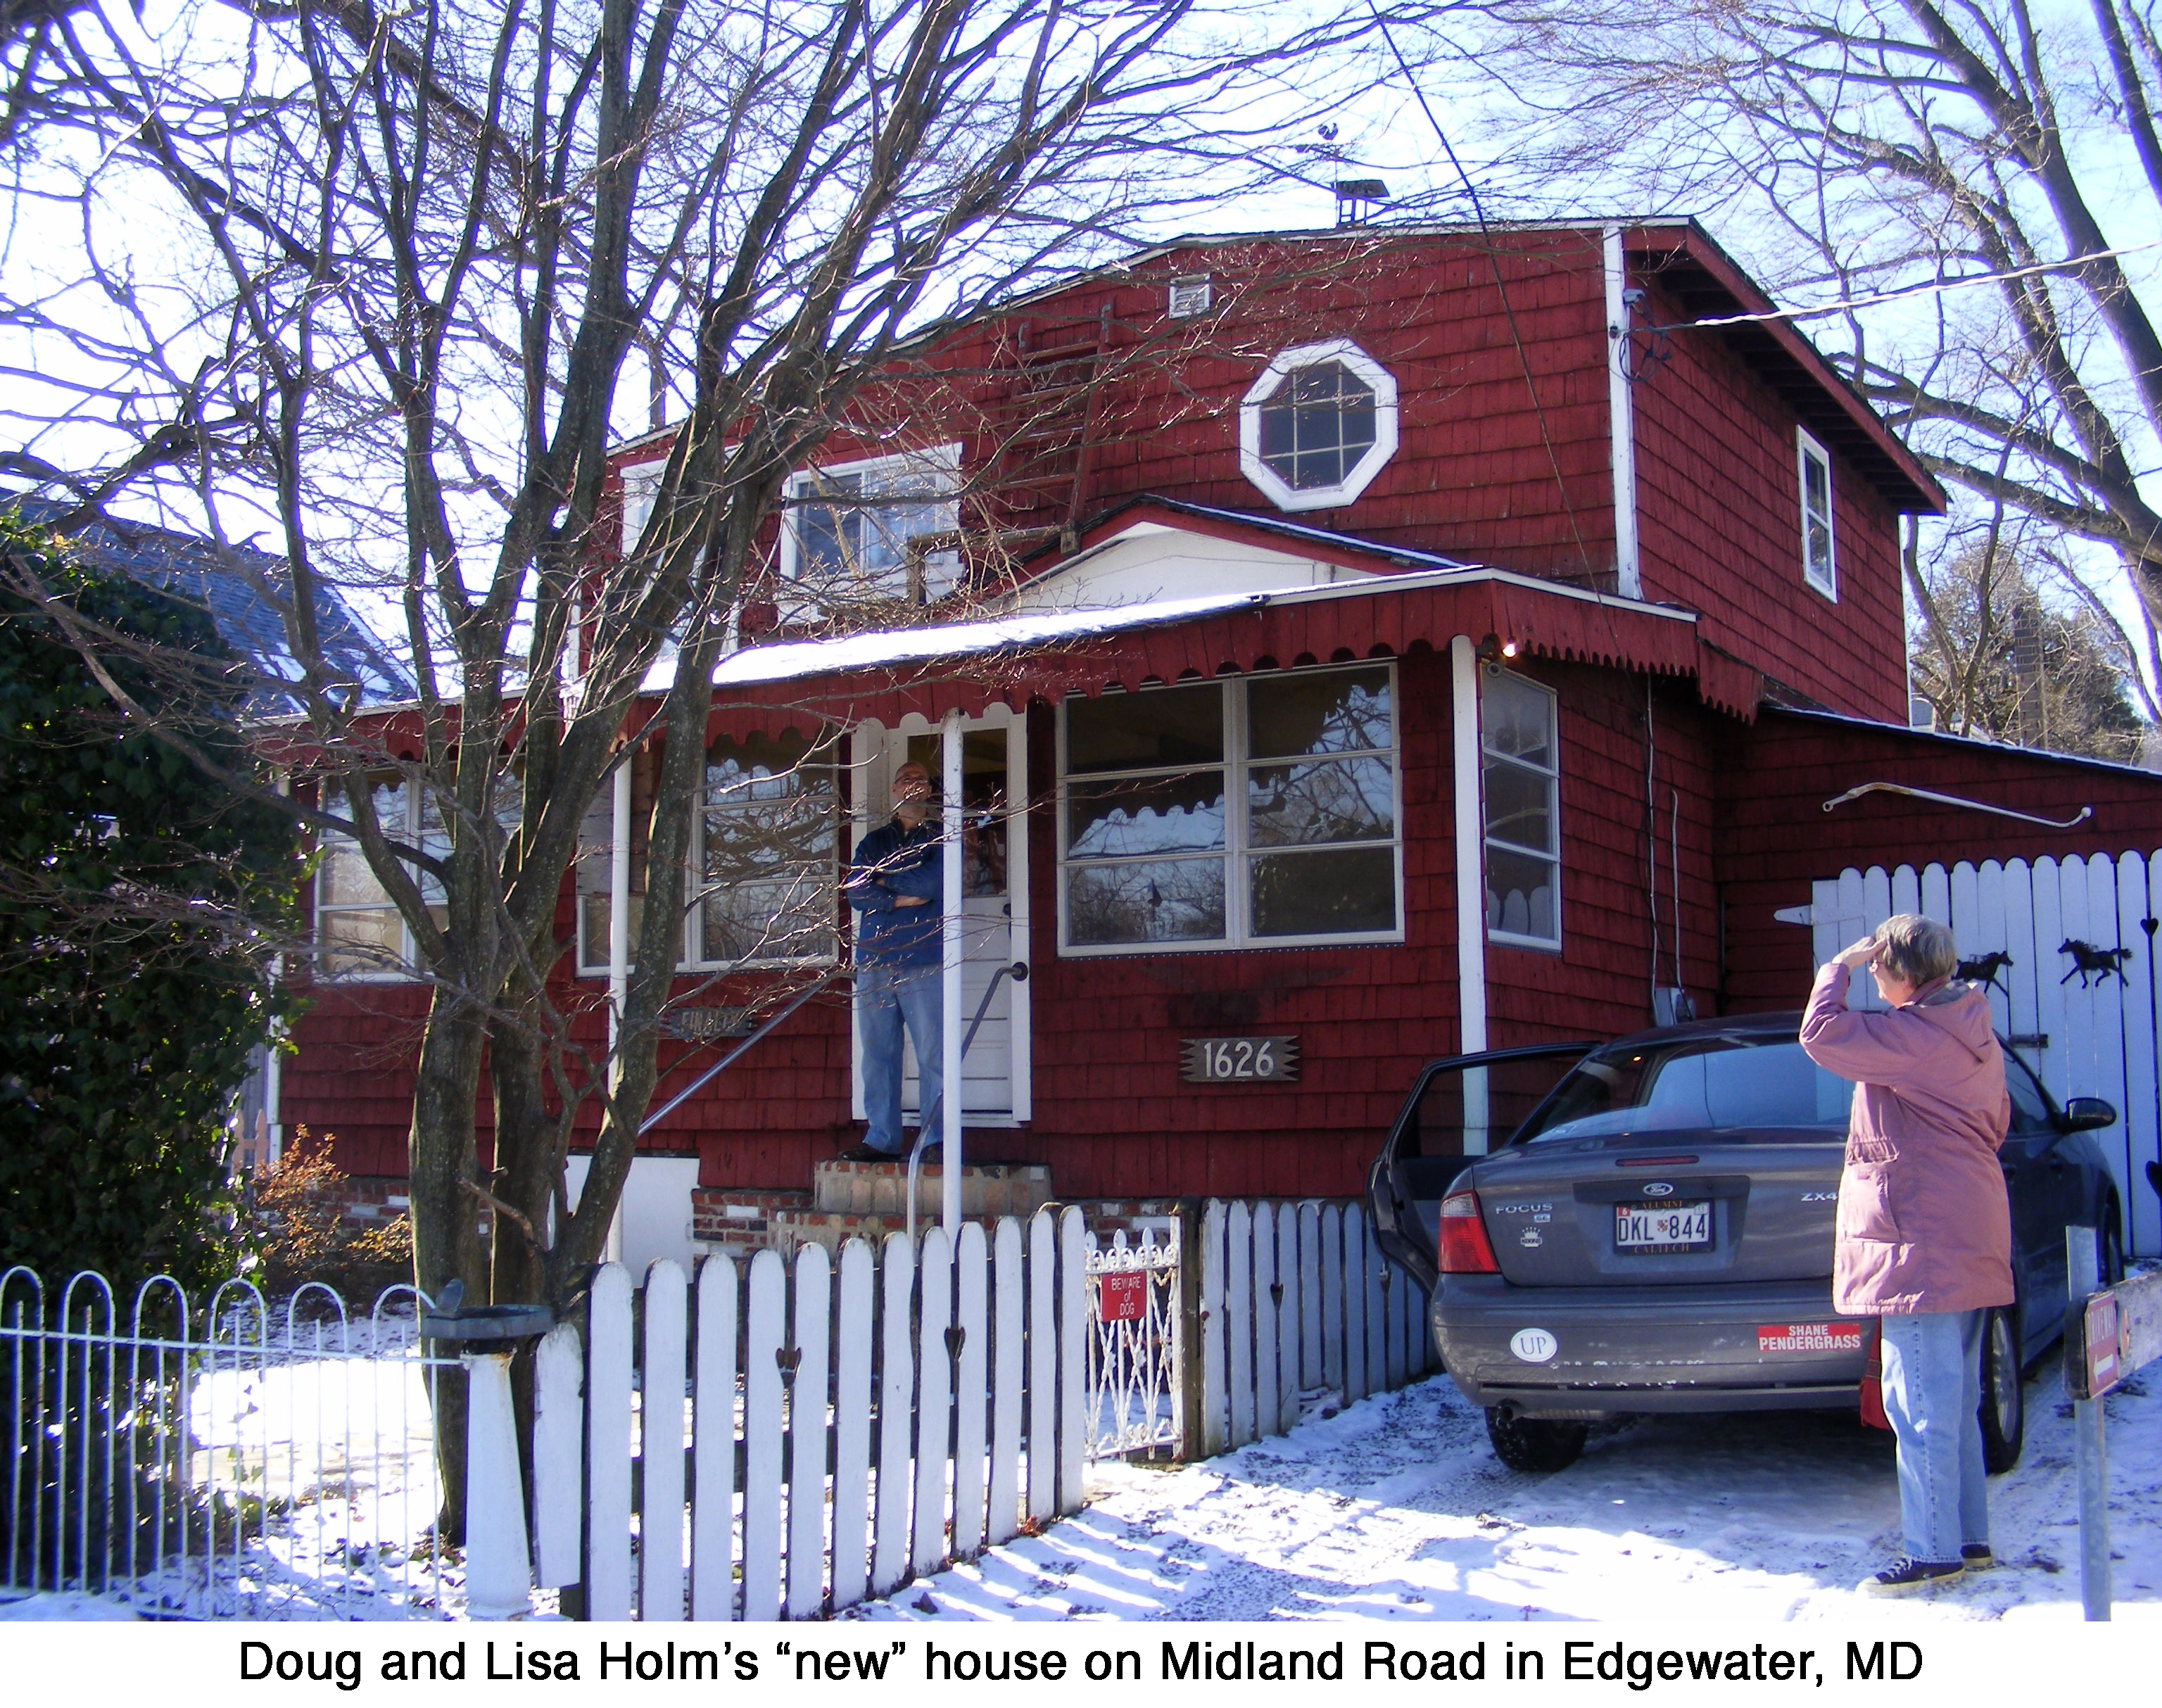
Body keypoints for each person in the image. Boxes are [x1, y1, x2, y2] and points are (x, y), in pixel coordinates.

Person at [1799, 913, 2014, 1596]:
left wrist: (1839, 966)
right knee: (1954, 1399)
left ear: (1899, 971)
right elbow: (2000, 1122)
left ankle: (1930, 1552)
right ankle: (1968, 1538)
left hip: (1920, 1236)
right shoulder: (1972, 1029)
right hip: (1971, 1226)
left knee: (1917, 1400)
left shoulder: (1914, 1035)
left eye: (1880, 965)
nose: (1875, 976)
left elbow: (1820, 1035)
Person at [840, 760, 944, 1163]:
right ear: (895, 789)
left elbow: (932, 884)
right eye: (906, 779)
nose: (913, 786)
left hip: (923, 958)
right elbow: (856, 893)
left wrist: (883, 886)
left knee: (932, 1053)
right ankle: (881, 1139)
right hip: (875, 961)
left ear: (930, 789)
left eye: (920, 780)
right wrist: (897, 895)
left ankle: (935, 1141)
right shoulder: (873, 843)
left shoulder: (940, 839)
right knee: (878, 1054)